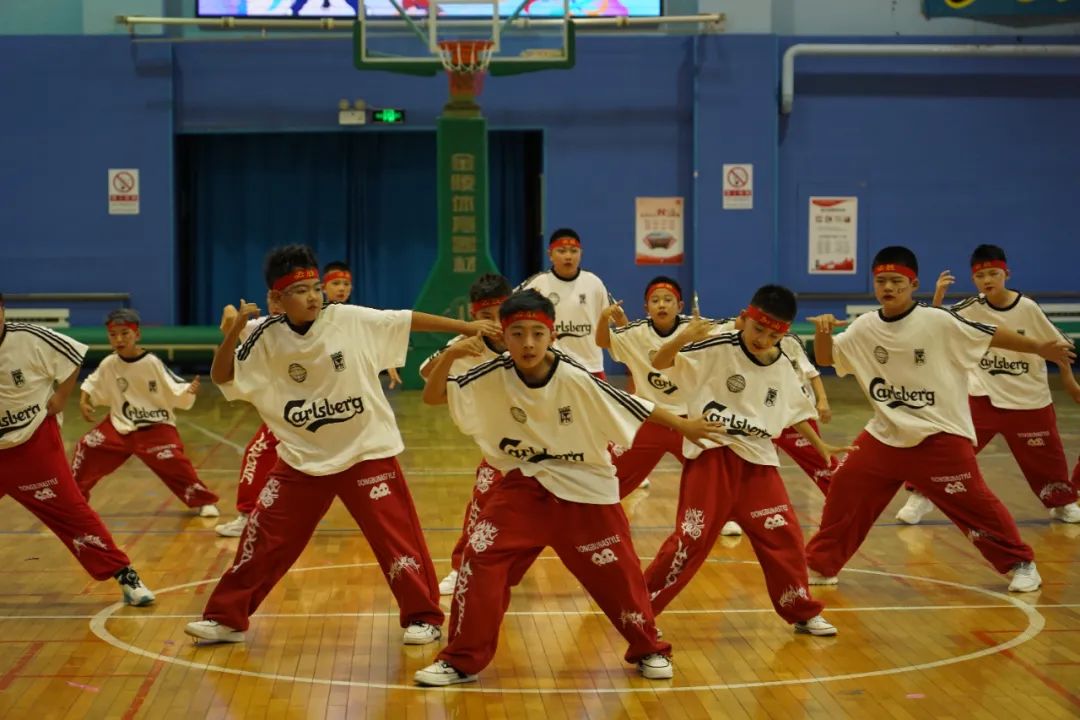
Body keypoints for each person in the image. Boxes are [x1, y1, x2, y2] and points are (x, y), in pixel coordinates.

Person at [184, 244, 500, 646]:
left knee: (397, 540)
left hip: (365, 451)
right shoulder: (262, 333)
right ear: (277, 299)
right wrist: (233, 331)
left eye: (316, 287)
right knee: (262, 541)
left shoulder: (349, 318)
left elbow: (406, 319)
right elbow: (222, 375)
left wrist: (467, 328)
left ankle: (424, 617)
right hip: (301, 459)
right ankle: (226, 618)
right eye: (301, 291)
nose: (313, 296)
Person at [413, 289, 725, 685]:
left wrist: (685, 426)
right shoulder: (489, 373)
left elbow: (635, 405)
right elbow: (433, 396)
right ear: (504, 336)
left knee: (620, 579)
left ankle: (649, 648)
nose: (528, 343)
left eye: (537, 334)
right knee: (479, 557)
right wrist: (452, 355)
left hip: (585, 490)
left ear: (552, 335)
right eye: (518, 334)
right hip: (525, 487)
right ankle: (460, 659)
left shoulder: (575, 376)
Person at [803, 246, 1074, 593]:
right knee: (846, 487)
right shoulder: (865, 327)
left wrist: (1039, 348)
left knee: (975, 506)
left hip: (940, 436)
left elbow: (989, 333)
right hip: (885, 435)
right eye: (882, 281)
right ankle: (822, 565)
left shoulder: (938, 321)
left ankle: (1021, 563)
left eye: (897, 281)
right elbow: (827, 359)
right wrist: (823, 332)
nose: (888, 287)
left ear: (913, 284)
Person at [643, 285, 844, 637]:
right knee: (690, 540)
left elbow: (796, 411)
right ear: (744, 318)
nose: (763, 340)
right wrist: (683, 337)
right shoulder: (715, 346)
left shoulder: (782, 364)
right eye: (758, 329)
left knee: (784, 535)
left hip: (758, 463)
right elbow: (659, 363)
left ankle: (801, 610)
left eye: (773, 335)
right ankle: (640, 608)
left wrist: (820, 445)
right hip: (712, 456)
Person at [895, 244, 1080, 525]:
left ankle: (1061, 503)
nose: (987, 280)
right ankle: (921, 497)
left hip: (1029, 399)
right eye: (980, 276)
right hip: (983, 397)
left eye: (994, 274)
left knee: (1048, 460)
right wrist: (938, 296)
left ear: (1007, 274)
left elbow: (1060, 348)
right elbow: (935, 325)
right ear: (973, 279)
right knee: (948, 448)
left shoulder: (1027, 308)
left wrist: (1069, 381)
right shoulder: (970, 308)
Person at [0, 293, 155, 606]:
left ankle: (125, 575)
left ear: (2, 310)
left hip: (32, 445)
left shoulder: (30, 338)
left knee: (72, 513)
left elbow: (73, 355)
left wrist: (60, 398)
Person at [72, 309, 220, 517]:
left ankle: (203, 501)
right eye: (113, 335)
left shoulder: (151, 362)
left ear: (137, 335)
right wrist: (84, 401)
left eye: (125, 333)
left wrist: (188, 390)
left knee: (174, 461)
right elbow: (91, 382)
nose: (119, 339)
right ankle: (73, 500)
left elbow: (174, 384)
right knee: (87, 446)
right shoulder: (109, 363)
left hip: (155, 427)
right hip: (119, 426)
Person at [417, 273, 512, 596]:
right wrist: (453, 352)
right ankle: (462, 568)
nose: (495, 323)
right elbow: (427, 376)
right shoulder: (466, 345)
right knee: (480, 510)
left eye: (501, 314)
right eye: (486, 316)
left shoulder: (526, 336)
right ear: (473, 316)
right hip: (500, 450)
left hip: (548, 446)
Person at [213, 293, 284, 538]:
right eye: (273, 298)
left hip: (319, 409)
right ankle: (249, 515)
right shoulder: (261, 327)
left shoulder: (319, 325)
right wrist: (234, 313)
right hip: (286, 414)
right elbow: (228, 322)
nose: (276, 305)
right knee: (258, 452)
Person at [517, 228, 612, 378]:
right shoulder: (537, 283)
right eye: (561, 251)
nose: (568, 256)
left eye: (573, 251)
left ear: (581, 253)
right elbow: (508, 307)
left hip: (591, 366)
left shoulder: (594, 283)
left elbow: (611, 319)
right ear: (550, 254)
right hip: (551, 365)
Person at [322, 260, 403, 389]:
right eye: (336, 283)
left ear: (351, 288)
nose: (342, 288)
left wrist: (389, 362)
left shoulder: (356, 316)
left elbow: (374, 338)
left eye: (346, 284)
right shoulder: (315, 316)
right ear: (323, 288)